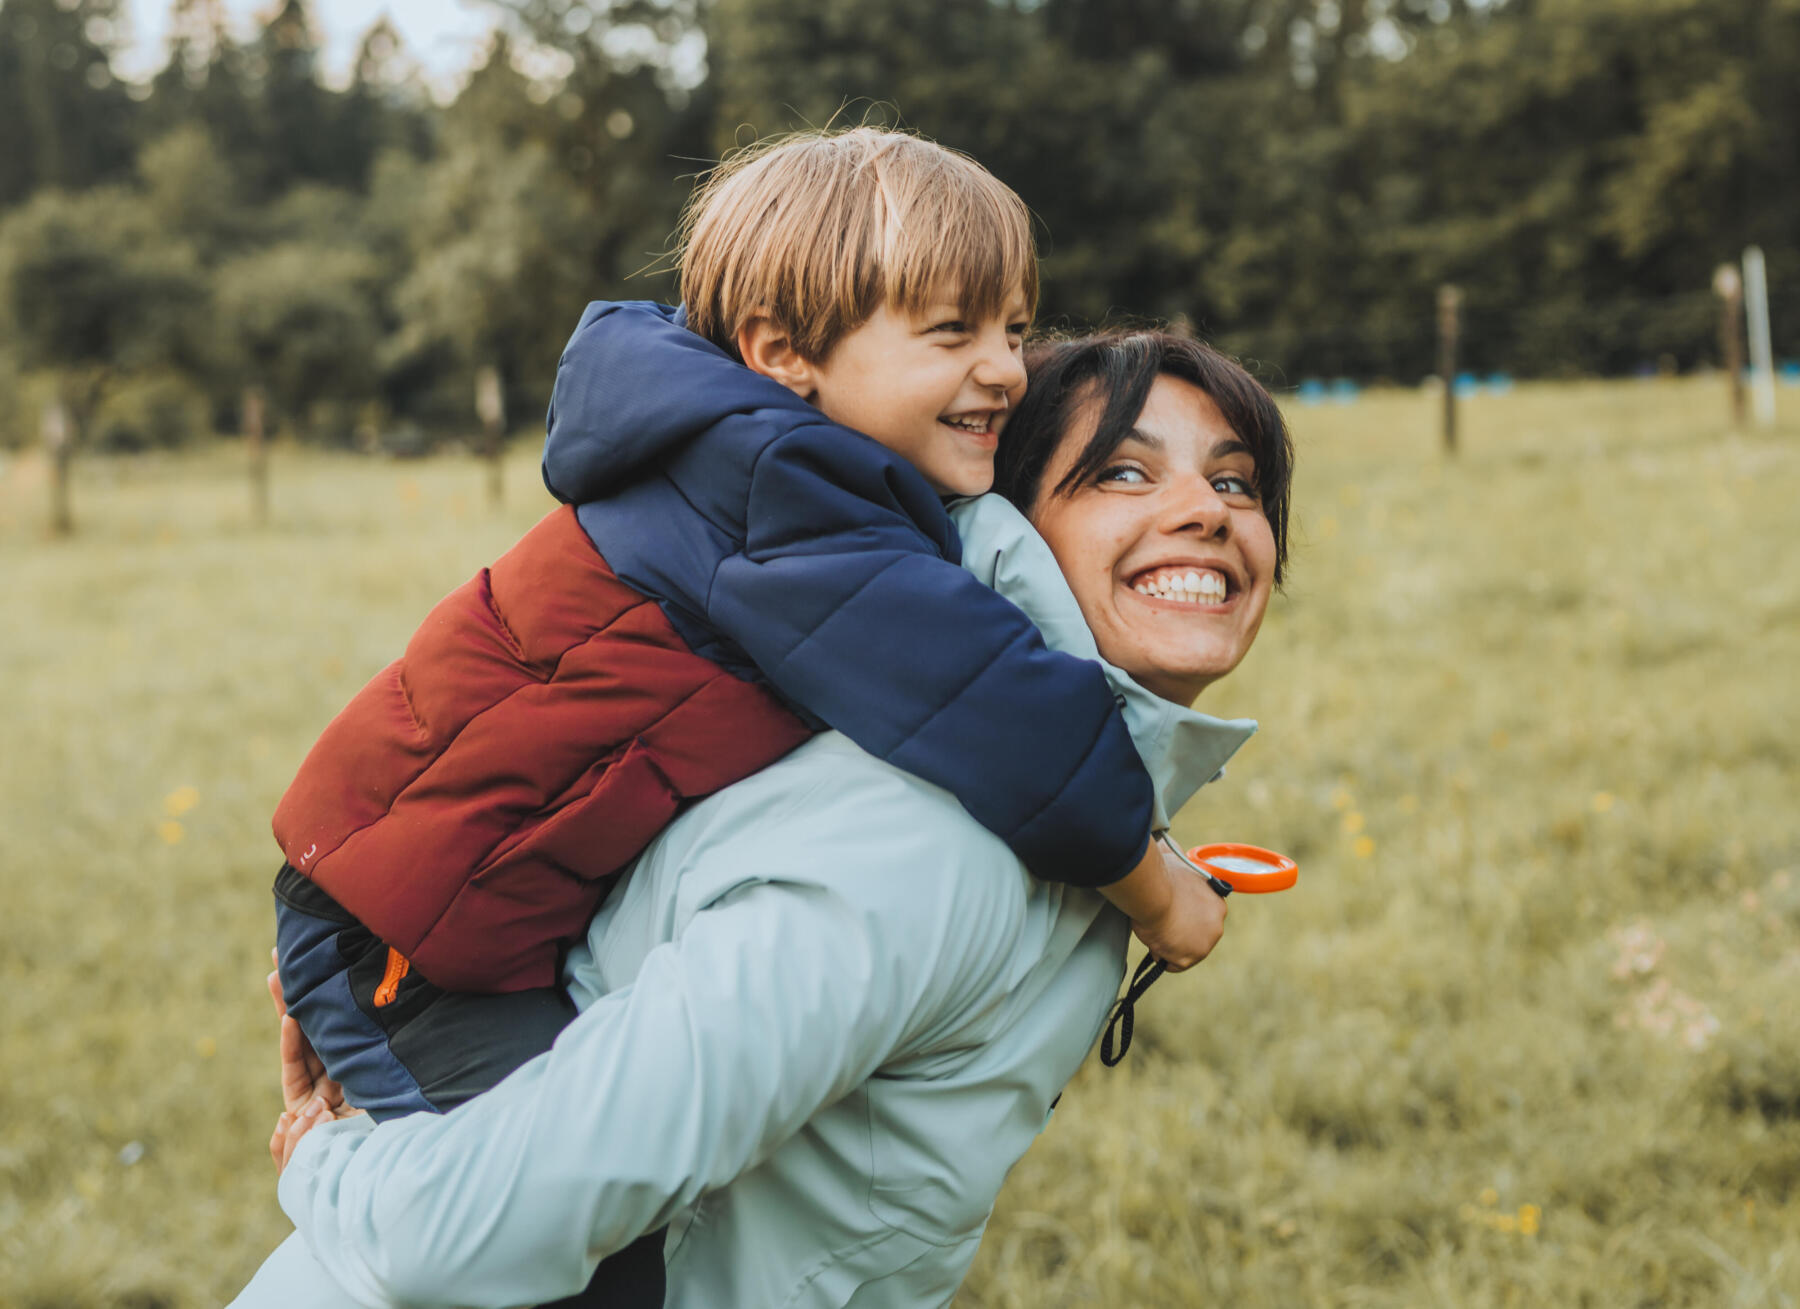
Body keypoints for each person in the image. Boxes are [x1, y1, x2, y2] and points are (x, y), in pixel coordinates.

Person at [231, 329, 1294, 1308]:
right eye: (1123, 470)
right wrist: (329, 1153)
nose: (1207, 510)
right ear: (1004, 508)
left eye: (1237, 480)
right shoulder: (928, 842)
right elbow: (460, 1234)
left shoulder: (1042, 809)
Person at [268, 131, 1221, 1179]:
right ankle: (330, 1172)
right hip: (414, 947)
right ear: (781, 355)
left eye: (1014, 327)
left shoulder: (760, 463)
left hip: (438, 917)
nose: (1004, 369)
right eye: (952, 332)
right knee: (566, 1216)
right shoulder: (779, 500)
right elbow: (1004, 715)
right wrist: (1157, 888)